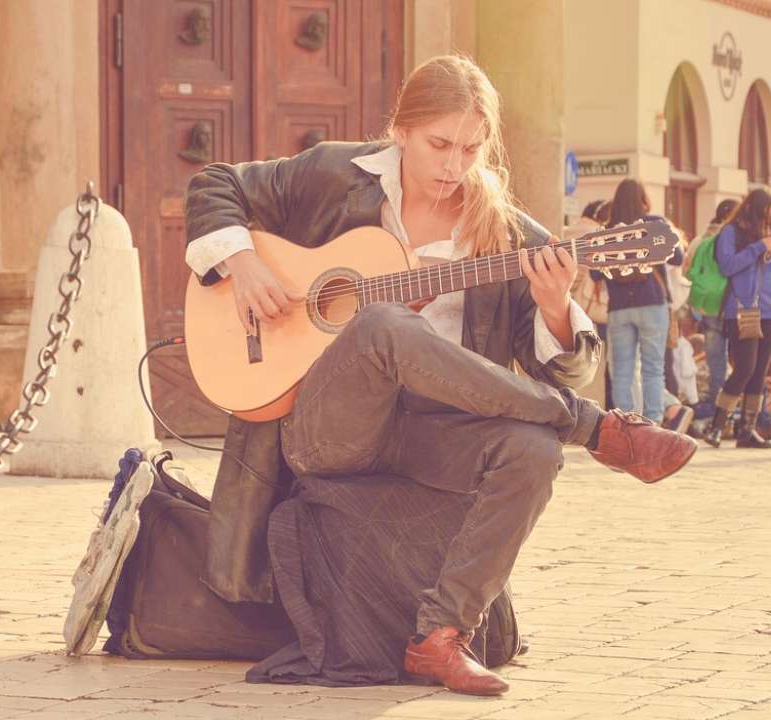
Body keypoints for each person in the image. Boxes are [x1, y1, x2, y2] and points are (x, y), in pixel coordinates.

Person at [183, 55, 697, 696]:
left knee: (533, 450)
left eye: (472, 149)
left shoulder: (507, 235)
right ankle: (594, 429)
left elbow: (572, 364)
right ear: (399, 130)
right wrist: (240, 261)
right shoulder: (331, 176)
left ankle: (441, 637)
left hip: (430, 438)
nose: (454, 166)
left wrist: (557, 308)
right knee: (383, 324)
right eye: (440, 144)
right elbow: (214, 183)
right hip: (326, 432)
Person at [591, 180, 682, 424]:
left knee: (622, 370)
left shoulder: (607, 231)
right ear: (643, 199)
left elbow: (595, 273)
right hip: (652, 305)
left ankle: (627, 425)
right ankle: (653, 423)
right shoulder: (654, 224)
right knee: (653, 368)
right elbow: (678, 257)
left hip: (620, 309)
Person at [703, 189, 771, 448]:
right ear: (756, 211)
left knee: (759, 372)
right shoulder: (731, 232)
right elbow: (727, 265)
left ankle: (747, 431)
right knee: (744, 368)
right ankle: (716, 426)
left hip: (768, 312)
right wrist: (759, 247)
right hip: (743, 310)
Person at [685, 199, 740, 418]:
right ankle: (732, 409)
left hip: (707, 307)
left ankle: (717, 409)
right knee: (741, 362)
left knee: (715, 359)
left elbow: (688, 271)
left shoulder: (701, 239)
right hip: (733, 306)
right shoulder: (736, 239)